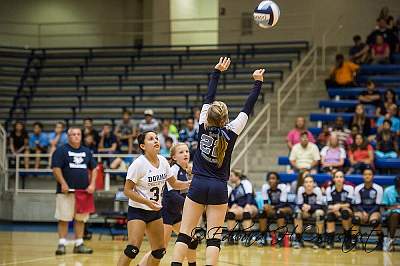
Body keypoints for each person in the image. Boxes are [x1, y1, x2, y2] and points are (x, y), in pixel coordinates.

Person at [170, 57, 265, 266]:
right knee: (214, 237)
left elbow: (208, 96)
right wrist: (257, 81)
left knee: (185, 234)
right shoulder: (232, 131)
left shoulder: (202, 124)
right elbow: (248, 106)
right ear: (225, 118)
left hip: (198, 184)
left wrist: (217, 72)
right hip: (219, 188)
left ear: (209, 116)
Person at [117, 131, 190, 266]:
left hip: (155, 212)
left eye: (156, 138)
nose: (156, 140)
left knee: (159, 251)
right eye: (151, 139)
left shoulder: (163, 161)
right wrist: (147, 202)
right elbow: (127, 190)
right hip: (138, 210)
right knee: (133, 249)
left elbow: (174, 183)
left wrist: (190, 183)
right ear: (143, 146)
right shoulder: (138, 164)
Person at [138, 143, 196, 265]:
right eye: (181, 152)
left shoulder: (186, 170)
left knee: (191, 240)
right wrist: (189, 204)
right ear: (174, 157)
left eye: (187, 151)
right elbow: (171, 195)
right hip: (166, 213)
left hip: (176, 213)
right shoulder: (173, 170)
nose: (185, 153)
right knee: (160, 249)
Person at [52, 127, 97, 255]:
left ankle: (79, 244)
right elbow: (56, 168)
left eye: (78, 134)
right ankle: (61, 244)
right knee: (63, 218)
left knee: (80, 219)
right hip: (66, 192)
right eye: (73, 134)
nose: (76, 136)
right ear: (68, 136)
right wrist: (63, 183)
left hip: (83, 193)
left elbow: (94, 168)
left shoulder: (86, 151)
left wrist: (92, 184)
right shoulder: (61, 151)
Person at [353, 168, 384, 249]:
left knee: (374, 221)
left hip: (374, 211)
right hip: (362, 211)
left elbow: (377, 205)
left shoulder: (378, 188)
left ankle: (380, 240)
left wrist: (369, 214)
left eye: (369, 174)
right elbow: (358, 204)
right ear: (363, 176)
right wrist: (363, 213)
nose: (367, 176)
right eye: (365, 174)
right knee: (355, 219)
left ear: (373, 176)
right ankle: (354, 241)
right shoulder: (358, 188)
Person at [226, 169, 258, 246]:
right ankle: (231, 238)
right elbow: (231, 202)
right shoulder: (233, 189)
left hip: (251, 205)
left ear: (237, 176)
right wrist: (234, 205)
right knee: (230, 213)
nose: (230, 178)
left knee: (246, 211)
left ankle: (247, 237)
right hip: (240, 207)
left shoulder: (245, 183)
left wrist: (247, 204)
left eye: (231, 176)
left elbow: (249, 195)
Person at [259, 172, 291, 246]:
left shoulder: (282, 187)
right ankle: (263, 237)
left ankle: (280, 237)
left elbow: (283, 203)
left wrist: (272, 207)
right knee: (262, 212)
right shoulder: (265, 187)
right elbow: (265, 202)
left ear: (277, 180)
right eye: (269, 179)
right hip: (273, 209)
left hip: (285, 207)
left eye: (273, 178)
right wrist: (267, 207)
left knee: (279, 212)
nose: (271, 180)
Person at [292, 175, 325, 249]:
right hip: (305, 212)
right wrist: (303, 207)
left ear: (314, 183)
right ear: (303, 184)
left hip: (314, 212)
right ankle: (299, 240)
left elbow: (320, 205)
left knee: (320, 213)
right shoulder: (301, 189)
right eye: (306, 182)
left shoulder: (317, 190)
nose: (308, 184)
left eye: (310, 182)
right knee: (297, 213)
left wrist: (310, 207)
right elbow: (299, 204)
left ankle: (318, 240)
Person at [325, 170, 354, 250]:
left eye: (341, 177)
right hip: (334, 210)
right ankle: (330, 241)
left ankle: (347, 239)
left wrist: (339, 206)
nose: (339, 179)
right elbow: (329, 205)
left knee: (345, 212)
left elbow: (348, 204)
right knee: (329, 215)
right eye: (337, 177)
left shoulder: (349, 188)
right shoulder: (329, 189)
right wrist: (336, 210)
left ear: (344, 179)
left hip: (346, 210)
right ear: (333, 179)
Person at [382, 176, 400, 252]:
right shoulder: (388, 190)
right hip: (391, 215)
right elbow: (385, 206)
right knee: (395, 214)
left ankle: (390, 239)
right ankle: (390, 240)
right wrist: (394, 207)